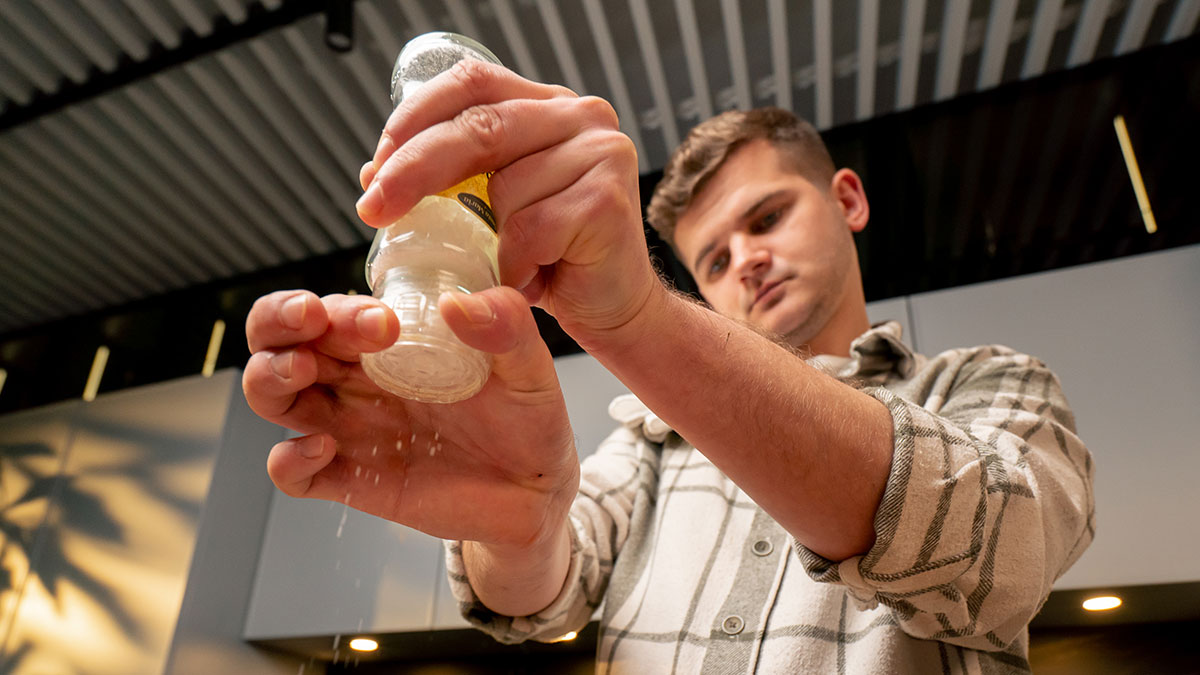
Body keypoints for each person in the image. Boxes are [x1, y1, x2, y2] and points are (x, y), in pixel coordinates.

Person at [243, 59, 1094, 673]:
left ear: (848, 199)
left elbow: (1004, 551)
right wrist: (518, 526)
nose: (746, 260)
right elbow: (545, 590)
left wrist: (639, 321)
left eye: (767, 218)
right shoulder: (651, 441)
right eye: (714, 259)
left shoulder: (988, 383)